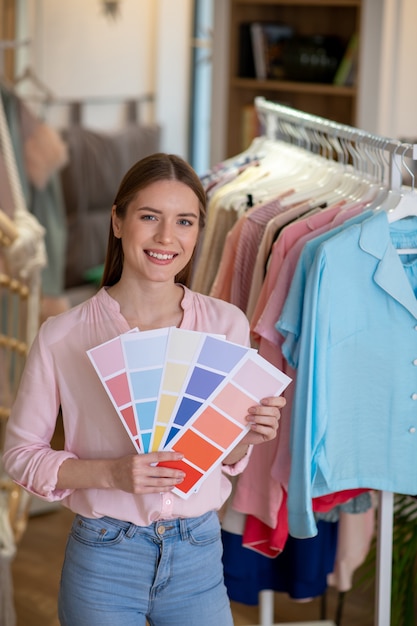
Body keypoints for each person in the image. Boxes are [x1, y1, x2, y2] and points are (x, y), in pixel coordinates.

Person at [4, 153, 286, 626]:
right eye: (149, 217)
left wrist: (250, 435)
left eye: (184, 221)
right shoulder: (63, 334)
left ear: (199, 232)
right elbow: (18, 456)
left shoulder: (226, 325)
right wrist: (111, 474)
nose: (166, 238)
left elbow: (217, 453)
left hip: (198, 551)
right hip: (103, 558)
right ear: (117, 221)